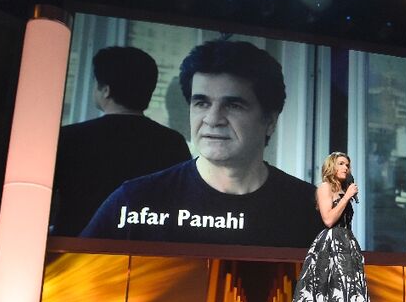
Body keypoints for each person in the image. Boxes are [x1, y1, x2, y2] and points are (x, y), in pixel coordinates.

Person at [81, 40, 322, 247]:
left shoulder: (311, 210)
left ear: (269, 120)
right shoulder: (134, 200)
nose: (213, 119)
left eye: (234, 105)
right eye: (201, 103)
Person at [50, 46, 191, 236]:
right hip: (151, 257)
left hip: (74, 255)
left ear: (105, 90)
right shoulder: (173, 143)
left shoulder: (69, 137)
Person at [278, 152, 386, 302]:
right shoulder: (324, 188)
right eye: (341, 163)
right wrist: (346, 197)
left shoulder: (345, 189)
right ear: (331, 166)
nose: (346, 167)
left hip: (347, 248)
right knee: (329, 299)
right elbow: (328, 220)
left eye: (347, 164)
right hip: (329, 247)